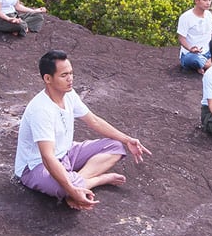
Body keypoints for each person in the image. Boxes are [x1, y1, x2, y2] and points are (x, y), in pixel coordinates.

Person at [14, 50, 151, 211]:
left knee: (116, 147)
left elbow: (93, 120)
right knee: (61, 188)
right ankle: (96, 180)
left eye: (71, 73)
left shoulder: (69, 94)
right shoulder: (41, 110)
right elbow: (47, 157)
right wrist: (71, 191)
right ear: (47, 78)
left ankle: (77, 182)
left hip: (66, 153)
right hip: (35, 167)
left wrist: (127, 139)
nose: (70, 79)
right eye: (64, 75)